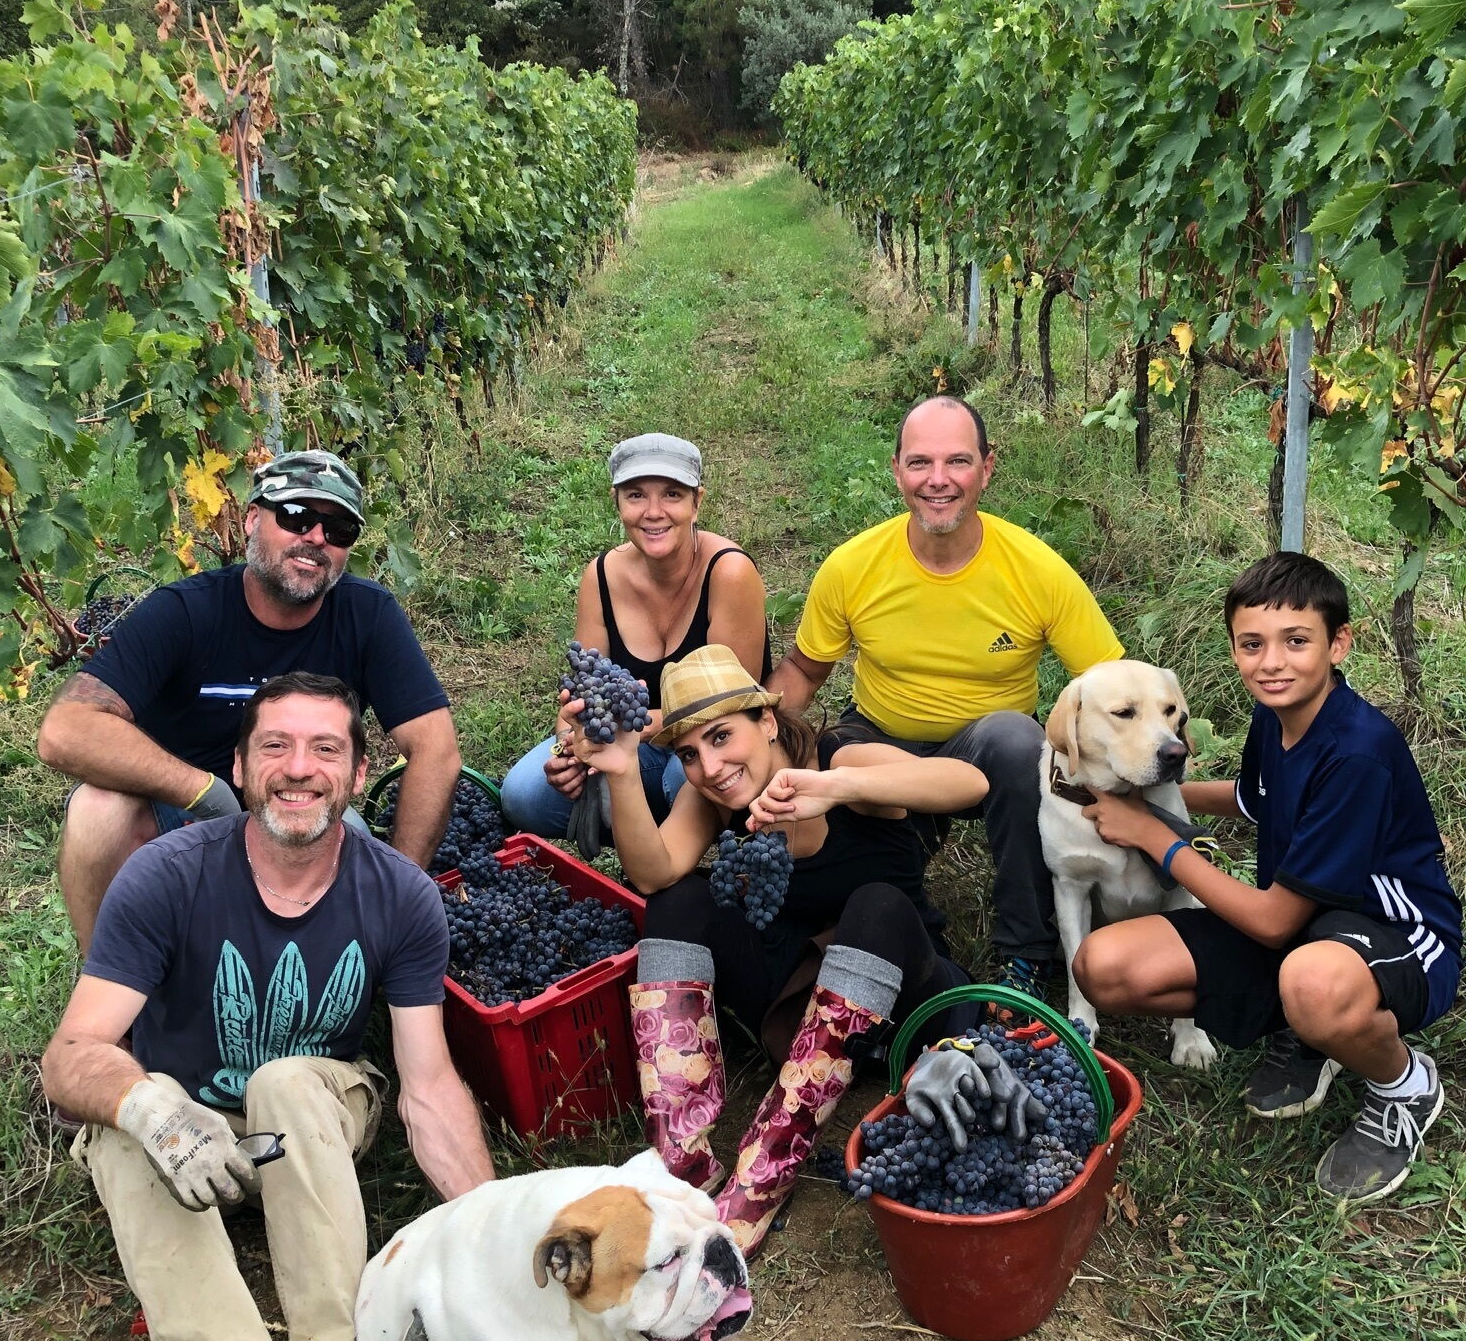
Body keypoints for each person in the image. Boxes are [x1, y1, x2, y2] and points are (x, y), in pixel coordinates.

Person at [40, 673, 495, 1341]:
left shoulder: (400, 894)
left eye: (326, 749)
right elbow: (72, 1055)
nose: (299, 768)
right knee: (119, 1128)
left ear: (357, 775)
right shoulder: (166, 876)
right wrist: (149, 1105)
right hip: (188, 1149)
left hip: (311, 1117)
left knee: (284, 1080)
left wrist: (495, 1234)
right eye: (275, 747)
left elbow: (429, 1084)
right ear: (240, 769)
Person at [565, 645, 1043, 1252]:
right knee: (677, 900)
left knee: (876, 904)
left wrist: (837, 788)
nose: (710, 766)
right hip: (799, 1009)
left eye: (721, 737)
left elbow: (969, 782)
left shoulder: (840, 756)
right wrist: (622, 771)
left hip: (906, 1002)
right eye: (689, 753)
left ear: (767, 721)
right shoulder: (714, 797)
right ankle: (681, 1156)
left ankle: (765, 1172)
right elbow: (653, 873)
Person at [1074, 553, 1460, 1204]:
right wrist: (1149, 792)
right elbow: (1252, 799)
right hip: (1306, 931)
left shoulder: (1357, 753)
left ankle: (1404, 1086)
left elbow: (1274, 921)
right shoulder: (1274, 716)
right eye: (1252, 644)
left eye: (1296, 641)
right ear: (1234, 649)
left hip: (1398, 939)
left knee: (1313, 981)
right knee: (1104, 967)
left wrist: (1153, 835)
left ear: (1339, 644)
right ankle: (1311, 1032)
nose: (1272, 662)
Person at [768, 395, 1124, 1003]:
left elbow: (1110, 681)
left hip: (985, 751)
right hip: (880, 736)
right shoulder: (853, 566)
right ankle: (858, 925)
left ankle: (1027, 949)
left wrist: (1146, 783)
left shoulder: (1037, 570)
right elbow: (804, 669)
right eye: (920, 462)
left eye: (957, 461)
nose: (938, 480)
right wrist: (754, 734)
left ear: (987, 467)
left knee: (1019, 743)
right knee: (835, 756)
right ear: (896, 470)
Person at [39, 450, 462, 949]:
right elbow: (66, 730)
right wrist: (204, 792)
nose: (317, 538)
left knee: (352, 842)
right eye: (297, 516)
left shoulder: (368, 616)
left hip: (299, 802)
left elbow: (437, 750)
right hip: (180, 816)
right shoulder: (185, 612)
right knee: (98, 812)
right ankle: (111, 972)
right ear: (252, 519)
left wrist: (402, 889)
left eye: (339, 529)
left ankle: (322, 965)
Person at [500, 434, 768, 845]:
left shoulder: (728, 572)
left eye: (672, 494)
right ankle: (641, 830)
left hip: (710, 738)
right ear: (617, 501)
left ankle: (672, 849)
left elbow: (729, 705)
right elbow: (583, 690)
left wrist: (622, 732)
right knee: (523, 795)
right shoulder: (600, 577)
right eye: (636, 495)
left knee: (686, 776)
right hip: (627, 741)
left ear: (697, 502)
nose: (653, 512)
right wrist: (570, 746)